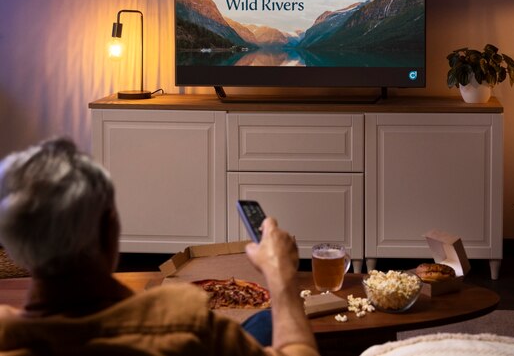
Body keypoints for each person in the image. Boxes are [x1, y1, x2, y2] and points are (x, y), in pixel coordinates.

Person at [0, 137, 319, 356]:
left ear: (13, 244)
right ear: (109, 229)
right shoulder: (185, 325)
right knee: (267, 321)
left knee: (261, 323)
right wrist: (282, 277)